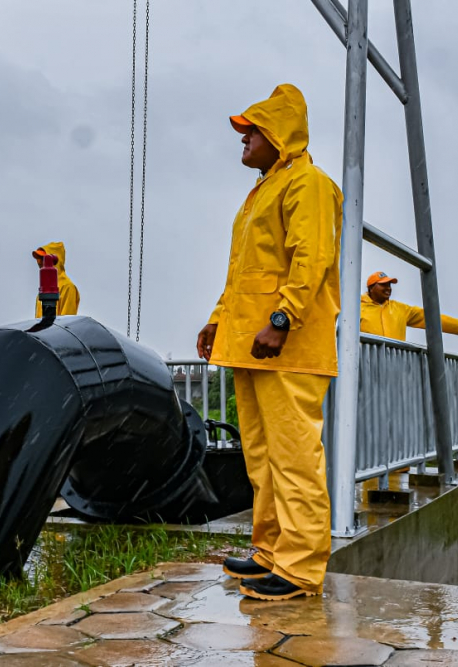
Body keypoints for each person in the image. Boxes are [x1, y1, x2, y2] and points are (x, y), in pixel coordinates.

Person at [195, 84, 343, 601]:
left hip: (289, 346)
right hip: (251, 345)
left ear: (279, 135)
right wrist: (218, 320)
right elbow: (245, 274)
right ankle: (271, 550)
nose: (244, 137)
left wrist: (282, 318)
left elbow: (312, 258)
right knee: (260, 455)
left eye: (253, 129)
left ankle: (300, 566)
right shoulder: (264, 190)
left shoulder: (310, 185)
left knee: (295, 456)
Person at [360, 271, 458, 340]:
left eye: (389, 285)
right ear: (371, 287)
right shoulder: (356, 308)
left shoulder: (400, 309)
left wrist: (456, 324)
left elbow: (426, 317)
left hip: (394, 366)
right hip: (365, 366)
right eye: (383, 285)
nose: (388, 288)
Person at [32, 242, 80, 317]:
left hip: (55, 329)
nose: (39, 262)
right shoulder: (43, 290)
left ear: (55, 260)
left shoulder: (68, 287)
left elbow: (66, 323)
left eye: (43, 258)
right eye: (39, 258)